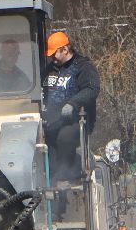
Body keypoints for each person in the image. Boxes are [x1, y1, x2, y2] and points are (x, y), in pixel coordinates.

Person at [42, 30, 100, 184]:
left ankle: (66, 177)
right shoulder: (50, 70)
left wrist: (73, 103)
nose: (52, 57)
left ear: (65, 50)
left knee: (64, 139)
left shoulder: (83, 67)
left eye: (55, 53)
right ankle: (52, 181)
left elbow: (92, 89)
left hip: (75, 121)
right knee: (45, 145)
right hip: (52, 121)